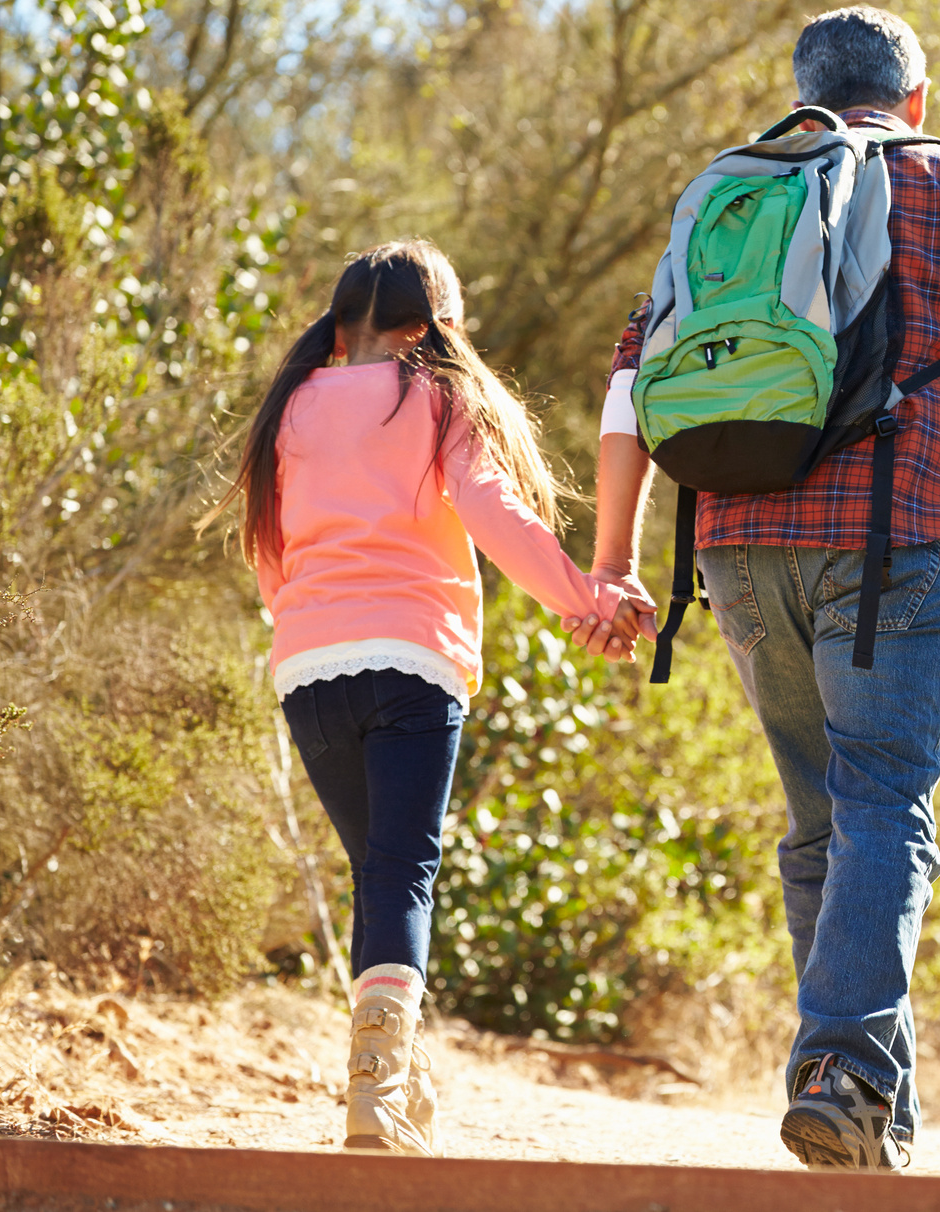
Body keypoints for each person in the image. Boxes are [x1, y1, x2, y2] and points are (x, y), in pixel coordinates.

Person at [570, 5, 940, 1169]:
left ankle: (869, 1116)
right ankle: (845, 1069)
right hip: (894, 541)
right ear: (917, 97)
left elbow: (629, 388)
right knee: (881, 806)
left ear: (805, 89)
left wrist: (609, 562)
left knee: (824, 819)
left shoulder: (736, 186)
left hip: (739, 548)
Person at [205, 240, 633, 1154]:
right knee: (402, 874)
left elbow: (272, 557)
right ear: (433, 321)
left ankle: (404, 1082)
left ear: (342, 320)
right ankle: (378, 1091)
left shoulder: (291, 407)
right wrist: (584, 598)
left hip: (308, 670)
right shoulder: (438, 396)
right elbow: (494, 515)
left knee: (380, 876)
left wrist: (315, 625)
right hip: (412, 663)